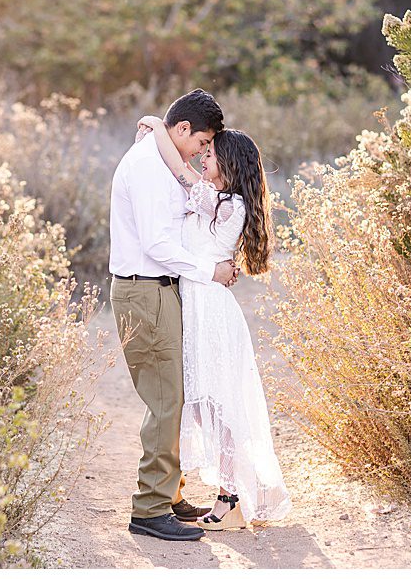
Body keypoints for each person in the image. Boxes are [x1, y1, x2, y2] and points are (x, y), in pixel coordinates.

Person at [135, 114, 292, 530]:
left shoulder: (224, 202)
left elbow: (177, 168)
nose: (204, 156)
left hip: (211, 312)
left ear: (230, 164)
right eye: (204, 149)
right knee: (205, 406)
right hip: (200, 305)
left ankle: (231, 500)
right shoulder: (218, 200)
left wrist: (158, 123)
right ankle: (222, 491)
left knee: (219, 408)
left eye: (211, 152)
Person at [109, 88, 238, 542]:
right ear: (182, 129)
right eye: (202, 143)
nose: (203, 152)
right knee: (166, 401)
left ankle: (169, 495)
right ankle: (148, 509)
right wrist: (211, 270)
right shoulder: (147, 167)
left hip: (161, 291)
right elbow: (156, 245)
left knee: (175, 397)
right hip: (145, 291)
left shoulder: (160, 158)